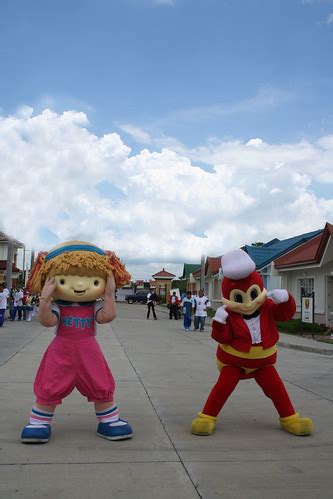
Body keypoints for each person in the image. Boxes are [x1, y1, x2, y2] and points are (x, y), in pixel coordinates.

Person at [20, 240, 133, 444]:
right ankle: (38, 422)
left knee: (100, 382)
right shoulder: (58, 306)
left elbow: (107, 316)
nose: (80, 286)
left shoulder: (93, 306)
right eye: (63, 281)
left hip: (89, 352)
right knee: (51, 382)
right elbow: (47, 321)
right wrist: (44, 300)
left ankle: (108, 420)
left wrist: (109, 294)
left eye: (93, 282)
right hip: (60, 352)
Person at [191, 249, 313, 437]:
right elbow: (222, 339)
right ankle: (207, 417)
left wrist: (287, 300)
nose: (248, 303)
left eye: (252, 294)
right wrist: (219, 322)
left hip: (263, 363)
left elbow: (284, 315)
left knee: (276, 388)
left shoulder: (267, 307)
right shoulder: (229, 314)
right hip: (234, 362)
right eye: (239, 298)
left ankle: (289, 418)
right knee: (222, 388)